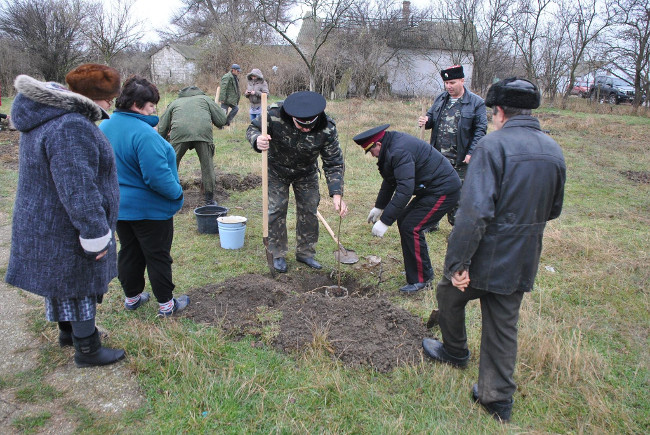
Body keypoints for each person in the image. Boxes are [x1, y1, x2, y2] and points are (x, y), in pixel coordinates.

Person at [421, 78, 566, 422]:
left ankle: (455, 352)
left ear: (499, 112)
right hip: (524, 257)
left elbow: (473, 214)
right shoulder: (554, 149)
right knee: (503, 323)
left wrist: (459, 262)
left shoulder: (492, 146)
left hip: (486, 256)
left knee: (449, 292)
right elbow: (554, 209)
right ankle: (497, 398)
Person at [6, 64, 125, 367]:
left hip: (48, 218)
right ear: (91, 96)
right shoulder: (70, 126)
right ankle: (87, 348)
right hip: (65, 222)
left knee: (61, 280)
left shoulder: (50, 116)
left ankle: (67, 332)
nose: (110, 104)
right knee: (79, 281)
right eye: (108, 98)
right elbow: (78, 188)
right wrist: (95, 233)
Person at [99, 76, 190, 317]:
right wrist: (177, 192)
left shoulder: (105, 126)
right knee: (157, 255)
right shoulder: (143, 134)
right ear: (137, 105)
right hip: (150, 210)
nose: (154, 110)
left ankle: (132, 297)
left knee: (129, 250)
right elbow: (156, 177)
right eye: (151, 106)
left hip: (119, 206)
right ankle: (166, 304)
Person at [246, 91, 347, 273]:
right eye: (301, 125)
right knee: (276, 209)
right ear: (292, 117)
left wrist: (337, 194)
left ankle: (305, 253)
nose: (306, 129)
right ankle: (277, 253)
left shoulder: (327, 128)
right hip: (276, 170)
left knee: (309, 210)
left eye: (310, 126)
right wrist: (257, 140)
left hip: (306, 173)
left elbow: (334, 162)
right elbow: (252, 129)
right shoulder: (274, 114)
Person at [353, 125, 461, 293]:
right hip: (429, 187)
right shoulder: (391, 148)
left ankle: (422, 280)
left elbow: (404, 190)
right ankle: (416, 270)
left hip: (443, 190)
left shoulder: (399, 151)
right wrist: (379, 207)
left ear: (378, 144)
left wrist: (385, 222)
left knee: (412, 226)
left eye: (371, 151)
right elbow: (391, 180)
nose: (372, 155)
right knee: (405, 221)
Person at [417, 65, 487, 225]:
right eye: (446, 83)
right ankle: (431, 223)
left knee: (457, 194)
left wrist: (472, 152)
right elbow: (430, 118)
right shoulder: (441, 99)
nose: (449, 86)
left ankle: (457, 224)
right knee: (433, 191)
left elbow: (481, 130)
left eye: (452, 82)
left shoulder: (476, 103)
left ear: (462, 80)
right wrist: (426, 121)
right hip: (438, 157)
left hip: (460, 159)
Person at [158, 86, 227, 206]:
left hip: (179, 133)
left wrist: (161, 140)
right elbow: (221, 120)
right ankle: (209, 199)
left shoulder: (175, 103)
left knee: (171, 163)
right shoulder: (205, 99)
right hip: (203, 133)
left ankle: (168, 195)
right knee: (207, 165)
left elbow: (162, 127)